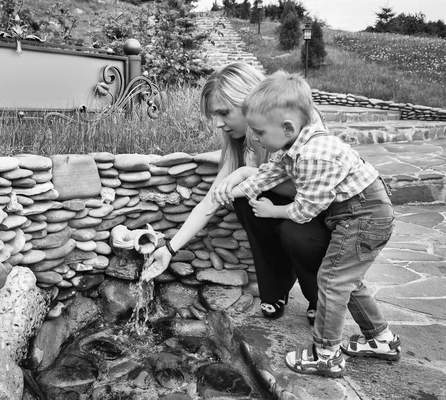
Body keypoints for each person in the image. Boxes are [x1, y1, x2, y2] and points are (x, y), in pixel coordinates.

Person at [211, 70, 401, 377]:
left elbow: (306, 209)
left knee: (332, 281)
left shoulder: (315, 154)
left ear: (286, 126)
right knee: (348, 281)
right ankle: (382, 339)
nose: (255, 138)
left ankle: (326, 354)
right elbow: (266, 176)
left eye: (259, 132)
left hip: (365, 216)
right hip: (357, 215)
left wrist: (273, 211)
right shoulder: (291, 144)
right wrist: (229, 192)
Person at [141, 62, 331, 326]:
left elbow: (311, 188)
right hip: (278, 207)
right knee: (242, 199)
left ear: (249, 100)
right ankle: (277, 289)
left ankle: (318, 296)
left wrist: (245, 175)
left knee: (294, 234)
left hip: (315, 208)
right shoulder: (239, 142)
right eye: (214, 115)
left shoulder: (298, 124)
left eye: (224, 113)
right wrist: (170, 249)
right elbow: (212, 199)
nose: (218, 123)